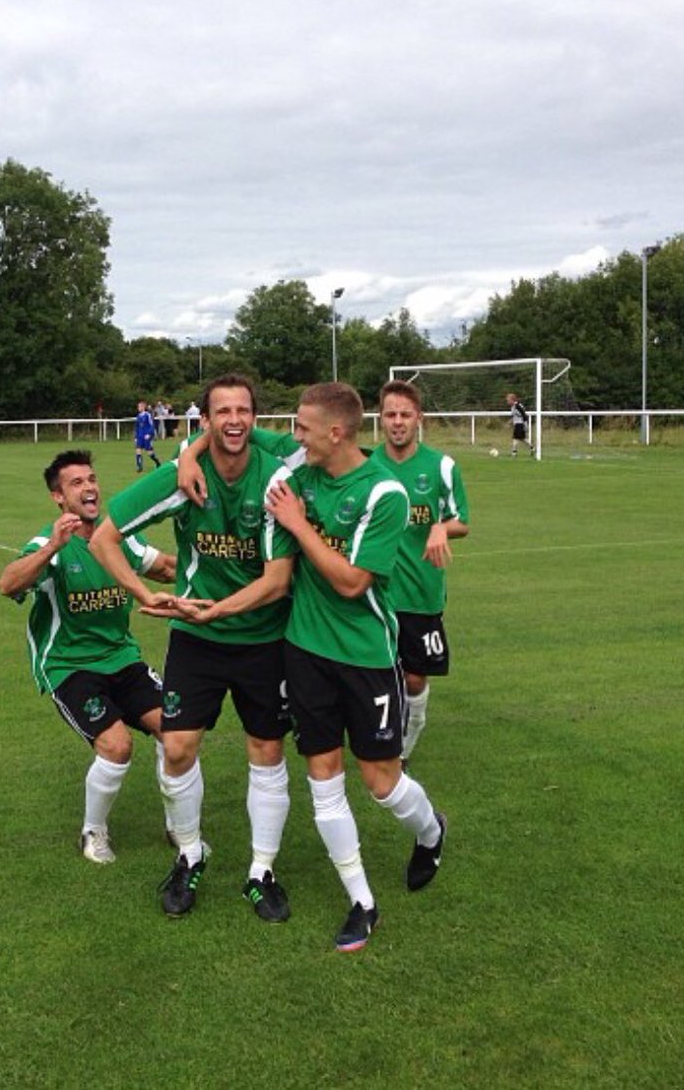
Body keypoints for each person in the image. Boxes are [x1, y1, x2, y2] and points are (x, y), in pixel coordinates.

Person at [90, 375, 299, 922]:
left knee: (268, 751)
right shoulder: (181, 477)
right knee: (178, 747)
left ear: (256, 417)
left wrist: (219, 607)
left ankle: (262, 870)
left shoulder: (277, 475)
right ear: (203, 421)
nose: (234, 420)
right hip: (197, 640)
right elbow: (103, 537)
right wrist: (144, 593)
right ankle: (188, 854)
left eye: (244, 410)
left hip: (263, 637)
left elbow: (278, 580)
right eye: (221, 411)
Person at [263, 382, 446, 952]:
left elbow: (349, 583)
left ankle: (431, 831)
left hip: (367, 657)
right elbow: (231, 435)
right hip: (305, 652)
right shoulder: (301, 474)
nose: (295, 437)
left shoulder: (383, 493)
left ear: (336, 433)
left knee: (381, 783)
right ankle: (362, 901)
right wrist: (193, 452)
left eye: (302, 428)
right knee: (322, 774)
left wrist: (297, 523)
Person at [0, 450, 176, 863]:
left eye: (91, 479)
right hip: (70, 666)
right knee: (117, 746)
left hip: (122, 658)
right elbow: (8, 584)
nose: (90, 487)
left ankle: (180, 827)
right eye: (76, 483)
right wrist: (52, 550)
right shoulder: (49, 544)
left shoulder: (120, 537)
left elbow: (165, 567)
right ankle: (93, 833)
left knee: (177, 731)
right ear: (58, 498)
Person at [375, 381, 470, 765]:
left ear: (419, 419)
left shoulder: (441, 466)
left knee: (414, 678)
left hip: (421, 593)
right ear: (380, 418)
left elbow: (461, 521)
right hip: (375, 593)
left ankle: (411, 730)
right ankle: (388, 748)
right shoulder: (367, 465)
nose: (398, 422)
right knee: (379, 674)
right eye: (390, 414)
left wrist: (440, 527)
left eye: (405, 415)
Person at [134, 401, 161, 472]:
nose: (138, 408)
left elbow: (152, 425)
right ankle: (139, 466)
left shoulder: (147, 415)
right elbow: (137, 427)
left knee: (149, 453)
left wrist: (149, 434)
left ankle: (157, 462)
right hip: (140, 436)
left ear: (143, 407)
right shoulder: (138, 416)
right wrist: (136, 437)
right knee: (138, 450)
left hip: (146, 436)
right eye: (138, 407)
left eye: (140, 407)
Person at [506, 392, 529, 457]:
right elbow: (514, 416)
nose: (507, 402)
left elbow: (524, 415)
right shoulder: (513, 407)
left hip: (520, 424)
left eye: (508, 400)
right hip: (517, 424)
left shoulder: (517, 406)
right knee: (523, 439)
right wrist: (509, 422)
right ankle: (532, 448)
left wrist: (525, 425)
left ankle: (514, 453)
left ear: (512, 400)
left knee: (515, 438)